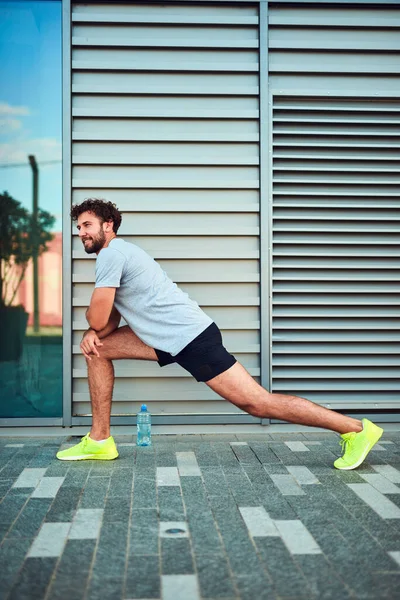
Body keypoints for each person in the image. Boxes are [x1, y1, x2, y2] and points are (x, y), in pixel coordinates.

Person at [57, 199, 383, 469]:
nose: (81, 232)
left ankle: (356, 430)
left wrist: (92, 325)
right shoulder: (118, 254)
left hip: (190, 337)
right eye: (78, 227)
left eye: (87, 225)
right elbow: (109, 318)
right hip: (162, 335)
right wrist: (92, 331)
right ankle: (100, 440)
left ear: (108, 225)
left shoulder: (112, 254)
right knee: (97, 349)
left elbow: (99, 315)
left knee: (257, 403)